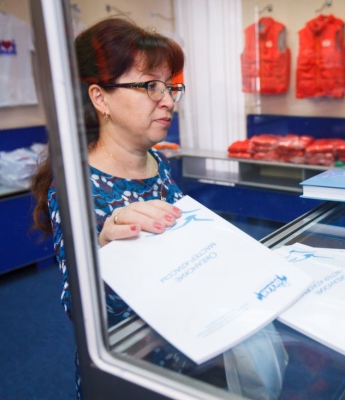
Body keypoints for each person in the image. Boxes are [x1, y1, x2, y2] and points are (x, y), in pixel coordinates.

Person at [30, 16, 211, 398]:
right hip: (131, 365)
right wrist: (107, 255)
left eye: (170, 87)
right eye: (150, 86)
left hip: (186, 341)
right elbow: (83, 312)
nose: (168, 101)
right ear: (100, 98)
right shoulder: (77, 189)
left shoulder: (157, 160)